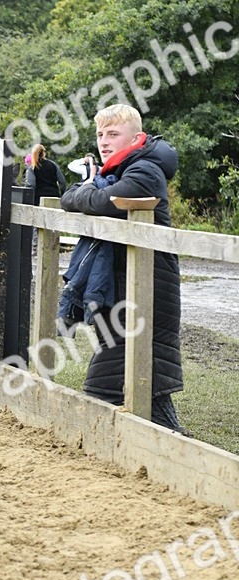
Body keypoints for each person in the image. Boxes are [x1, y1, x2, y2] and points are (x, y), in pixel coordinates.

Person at [60, 103, 188, 434]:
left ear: (136, 137)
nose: (104, 141)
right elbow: (69, 197)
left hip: (145, 291)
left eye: (113, 134)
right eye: (100, 134)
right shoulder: (113, 172)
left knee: (107, 387)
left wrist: (87, 190)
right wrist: (88, 190)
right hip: (121, 288)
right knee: (143, 391)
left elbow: (103, 203)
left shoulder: (144, 171)